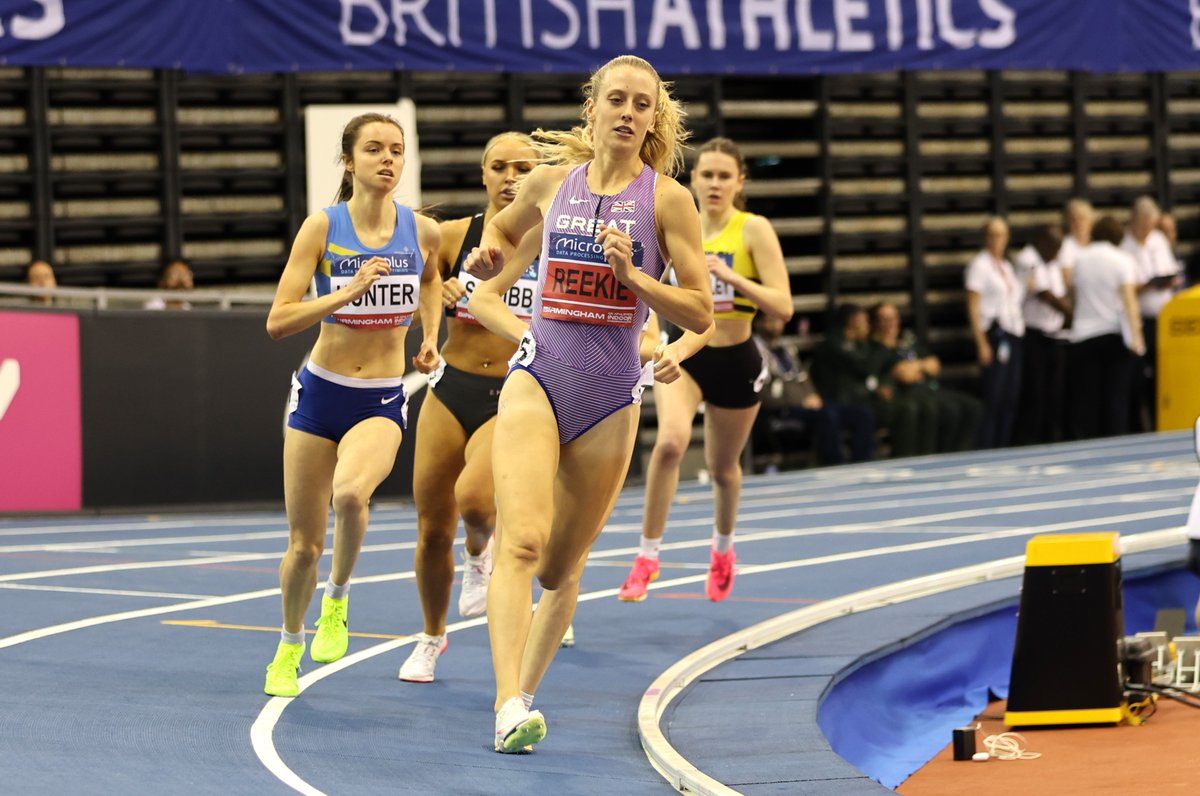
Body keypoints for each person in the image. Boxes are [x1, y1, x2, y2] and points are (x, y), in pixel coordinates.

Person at [463, 54, 712, 753]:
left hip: (609, 396)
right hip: (539, 372)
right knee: (523, 539)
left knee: (558, 569)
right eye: (618, 100)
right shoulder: (549, 183)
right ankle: (508, 702)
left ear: (653, 119)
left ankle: (525, 692)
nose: (629, 113)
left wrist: (634, 276)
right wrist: (487, 254)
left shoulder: (668, 202)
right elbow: (503, 234)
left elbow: (699, 313)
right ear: (593, 109)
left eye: (643, 104)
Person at [260, 112, 442, 698]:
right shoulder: (322, 228)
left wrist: (431, 335)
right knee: (302, 545)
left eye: (397, 150)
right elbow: (278, 321)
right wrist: (345, 292)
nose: (388, 160)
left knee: (350, 493)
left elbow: (434, 280)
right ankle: (289, 645)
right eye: (374, 150)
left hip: (381, 397)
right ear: (349, 161)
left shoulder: (421, 230)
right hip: (319, 393)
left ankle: (337, 599)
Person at [618, 137, 792, 604]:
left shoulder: (752, 230)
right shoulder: (678, 221)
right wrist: (656, 342)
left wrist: (733, 277)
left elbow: (784, 306)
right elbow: (648, 289)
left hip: (737, 360)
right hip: (688, 352)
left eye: (724, 176)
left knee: (723, 469)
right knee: (670, 443)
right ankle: (647, 556)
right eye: (707, 175)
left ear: (740, 182)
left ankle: (722, 549)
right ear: (693, 179)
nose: (715, 184)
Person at [400, 132, 541, 683]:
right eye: (499, 167)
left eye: (522, 168)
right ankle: (431, 638)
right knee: (433, 528)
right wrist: (444, 298)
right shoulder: (456, 236)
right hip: (451, 387)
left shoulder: (553, 238)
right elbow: (418, 306)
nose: (510, 177)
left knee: (476, 501)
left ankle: (480, 555)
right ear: (483, 175)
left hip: (515, 393)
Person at [751, 312, 874, 468]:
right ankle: (836, 465)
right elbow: (761, 392)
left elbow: (803, 376)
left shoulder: (787, 348)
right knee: (826, 416)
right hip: (782, 410)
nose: (775, 325)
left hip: (807, 404)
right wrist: (800, 401)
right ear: (758, 324)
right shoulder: (754, 351)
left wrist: (813, 395)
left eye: (777, 321)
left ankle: (862, 463)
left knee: (861, 414)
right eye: (769, 320)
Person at [1067, 215, 1144, 439]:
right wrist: (1137, 337)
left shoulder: (1079, 258)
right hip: (1113, 333)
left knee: (1088, 397)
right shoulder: (1122, 260)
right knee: (1115, 396)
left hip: (1083, 334)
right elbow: (1129, 300)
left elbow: (1073, 294)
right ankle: (1115, 441)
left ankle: (1089, 441)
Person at [869, 302, 982, 453]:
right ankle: (938, 456)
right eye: (885, 319)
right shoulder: (876, 348)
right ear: (876, 323)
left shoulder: (906, 341)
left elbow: (934, 364)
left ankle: (961, 453)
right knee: (946, 409)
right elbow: (904, 375)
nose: (891, 323)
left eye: (894, 318)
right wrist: (920, 366)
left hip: (928, 388)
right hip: (907, 393)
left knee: (973, 406)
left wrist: (915, 366)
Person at [1122, 196, 1182, 431]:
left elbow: (1171, 272)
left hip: (1164, 317)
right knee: (1140, 376)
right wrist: (1145, 285)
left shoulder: (1158, 240)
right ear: (1135, 221)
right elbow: (1126, 285)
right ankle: (1140, 425)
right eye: (1144, 225)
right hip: (1141, 317)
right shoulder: (1125, 244)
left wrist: (1166, 281)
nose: (1148, 231)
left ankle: (1164, 420)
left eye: (1151, 226)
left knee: (1164, 373)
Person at [966, 216, 1024, 448]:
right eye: (993, 235)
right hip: (993, 333)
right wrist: (981, 342)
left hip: (1013, 331)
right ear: (985, 238)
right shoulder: (980, 266)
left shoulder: (1007, 266)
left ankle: (1003, 443)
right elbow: (973, 305)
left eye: (1002, 235)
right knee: (994, 394)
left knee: (1011, 394)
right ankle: (987, 445)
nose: (997, 240)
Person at [1013, 225, 1071, 445]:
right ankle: (1030, 440)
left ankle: (1049, 439)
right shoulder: (1028, 259)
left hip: (1053, 334)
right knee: (1034, 392)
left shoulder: (1051, 261)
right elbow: (1045, 294)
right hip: (1033, 333)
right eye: (1054, 248)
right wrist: (1071, 314)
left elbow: (1060, 292)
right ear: (1042, 242)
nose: (1057, 254)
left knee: (1052, 393)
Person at [1058, 198, 1094, 286]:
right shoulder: (1065, 246)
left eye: (1082, 219)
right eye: (1073, 220)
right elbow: (1067, 278)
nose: (1078, 223)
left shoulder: (1097, 243)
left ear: (1091, 222)